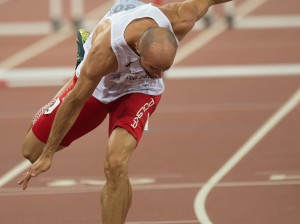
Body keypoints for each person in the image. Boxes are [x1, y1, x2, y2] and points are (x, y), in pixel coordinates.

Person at [18, 0, 232, 223]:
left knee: (116, 164)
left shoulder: (182, 18)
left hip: (141, 90)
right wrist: (48, 153)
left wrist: (150, 73)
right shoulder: (106, 52)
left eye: (165, 69)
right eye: (153, 67)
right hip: (99, 86)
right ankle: (78, 73)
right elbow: (75, 102)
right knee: (31, 151)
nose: (159, 75)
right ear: (138, 47)